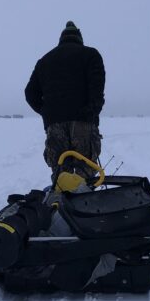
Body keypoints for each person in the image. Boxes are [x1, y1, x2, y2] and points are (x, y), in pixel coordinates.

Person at [25, 21, 105, 182]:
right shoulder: (90, 54)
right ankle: (84, 201)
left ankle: (61, 202)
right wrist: (92, 111)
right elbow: (97, 87)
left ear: (62, 39)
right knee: (86, 170)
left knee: (61, 172)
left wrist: (48, 112)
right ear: (79, 38)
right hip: (83, 121)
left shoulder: (45, 60)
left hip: (54, 124)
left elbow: (30, 93)